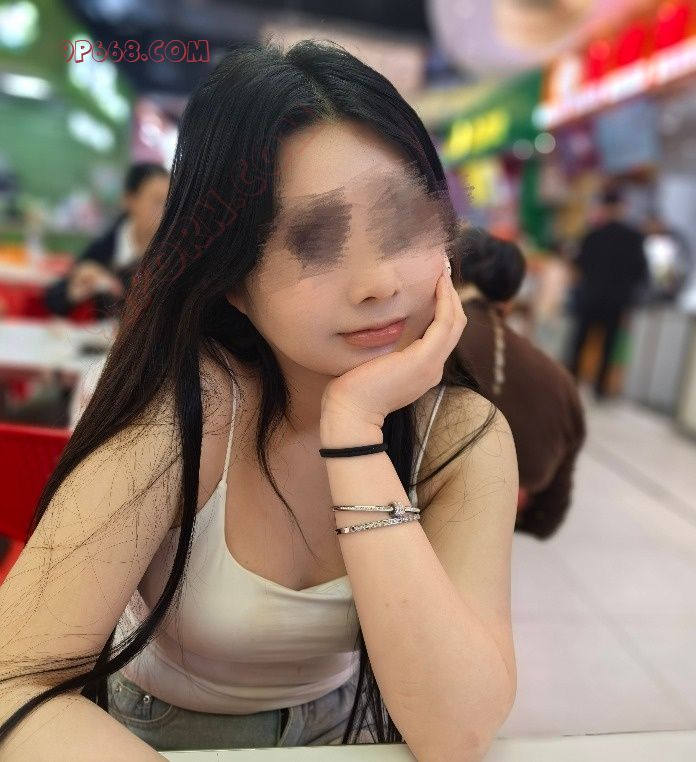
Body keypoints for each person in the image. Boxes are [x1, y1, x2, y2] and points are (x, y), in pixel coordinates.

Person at [0, 41, 518, 760]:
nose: (378, 284)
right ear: (234, 280)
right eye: (314, 243)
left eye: (403, 226)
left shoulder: (460, 436)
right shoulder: (185, 412)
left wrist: (355, 433)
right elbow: (16, 683)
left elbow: (455, 730)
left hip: (348, 736)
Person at [452, 227, 585, 540]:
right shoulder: (558, 379)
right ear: (510, 297)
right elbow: (551, 508)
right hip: (500, 522)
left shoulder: (417, 344)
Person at [44, 163, 170, 320]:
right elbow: (54, 300)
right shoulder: (104, 248)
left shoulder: (173, 255)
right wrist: (76, 289)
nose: (166, 212)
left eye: (170, 203)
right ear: (129, 200)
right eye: (157, 201)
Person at [566, 187, 649, 400]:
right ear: (622, 208)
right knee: (609, 344)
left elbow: (579, 265)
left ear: (604, 208)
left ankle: (571, 383)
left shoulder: (592, 235)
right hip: (617, 300)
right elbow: (641, 271)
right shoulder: (634, 238)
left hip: (590, 297)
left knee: (580, 340)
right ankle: (600, 389)